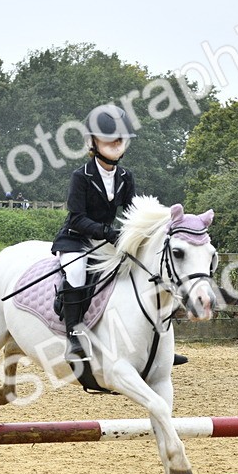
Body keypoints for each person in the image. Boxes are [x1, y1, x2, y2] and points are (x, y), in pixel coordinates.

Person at [50, 103, 137, 364]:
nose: (115, 145)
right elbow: (77, 217)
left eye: (120, 140)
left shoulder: (125, 176)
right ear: (93, 142)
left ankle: (152, 337)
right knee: (76, 272)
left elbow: (132, 211)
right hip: (75, 237)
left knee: (141, 269)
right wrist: (106, 232)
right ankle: (74, 334)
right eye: (109, 140)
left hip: (104, 241)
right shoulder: (81, 176)